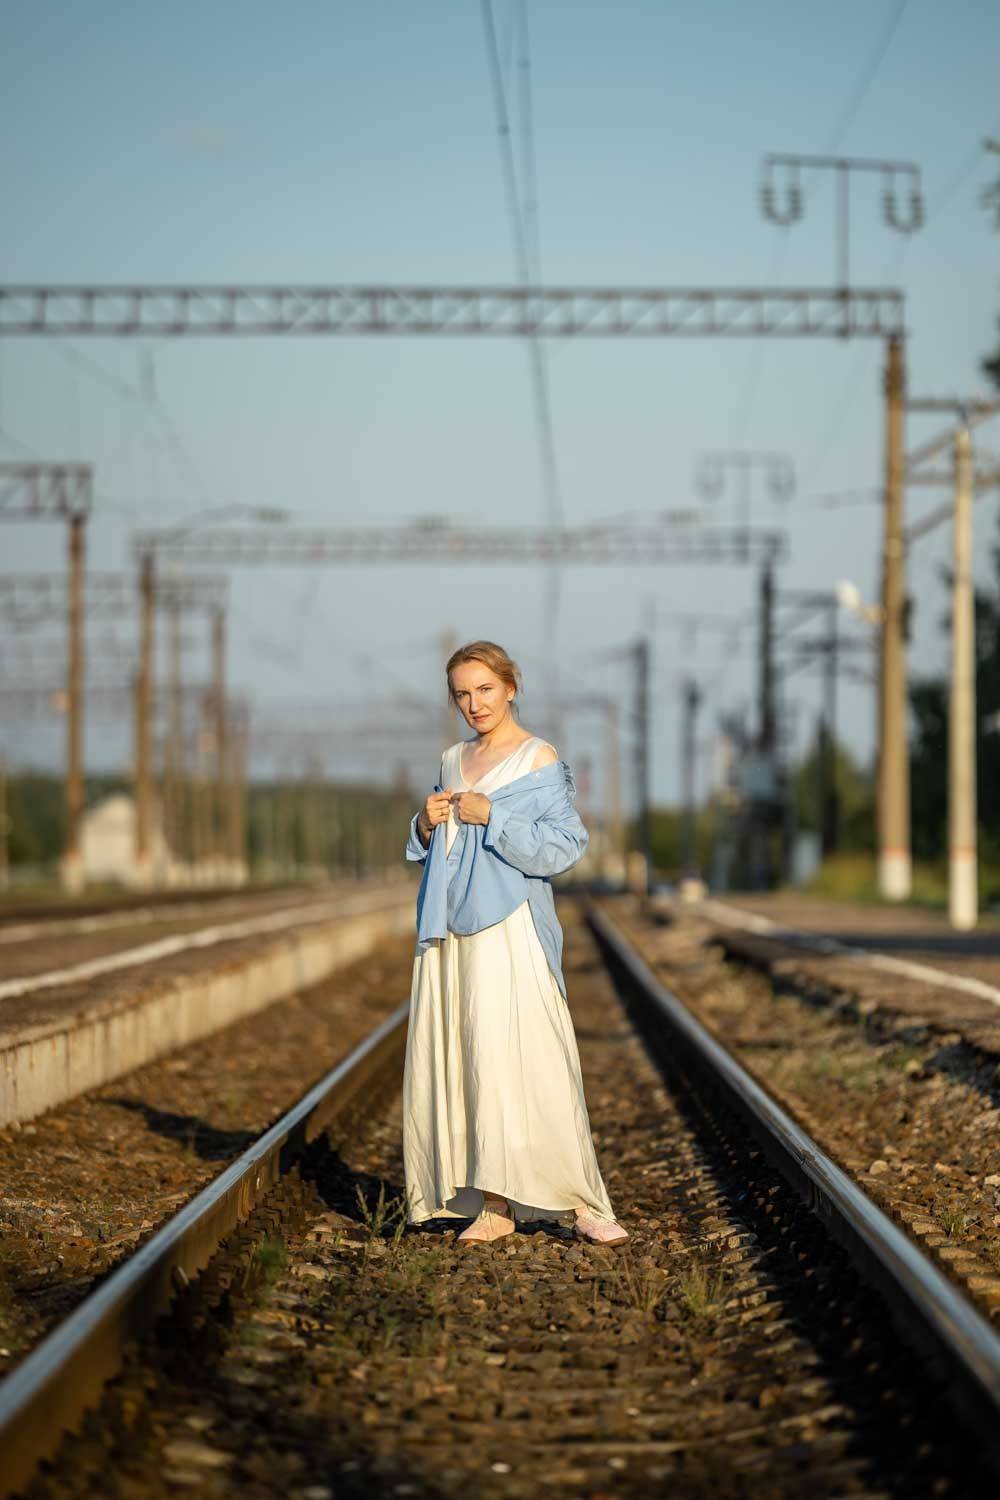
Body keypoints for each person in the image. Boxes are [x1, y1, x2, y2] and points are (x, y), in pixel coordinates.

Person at [402, 640, 628, 1247]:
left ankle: (582, 1201)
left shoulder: (538, 757)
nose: (473, 704)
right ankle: (494, 1206)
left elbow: (563, 847)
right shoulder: (452, 759)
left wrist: (490, 817)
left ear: (510, 687)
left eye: (484, 690)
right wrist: (424, 823)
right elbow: (430, 847)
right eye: (461, 694)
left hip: (513, 927)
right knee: (474, 1057)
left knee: (538, 1054)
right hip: (452, 932)